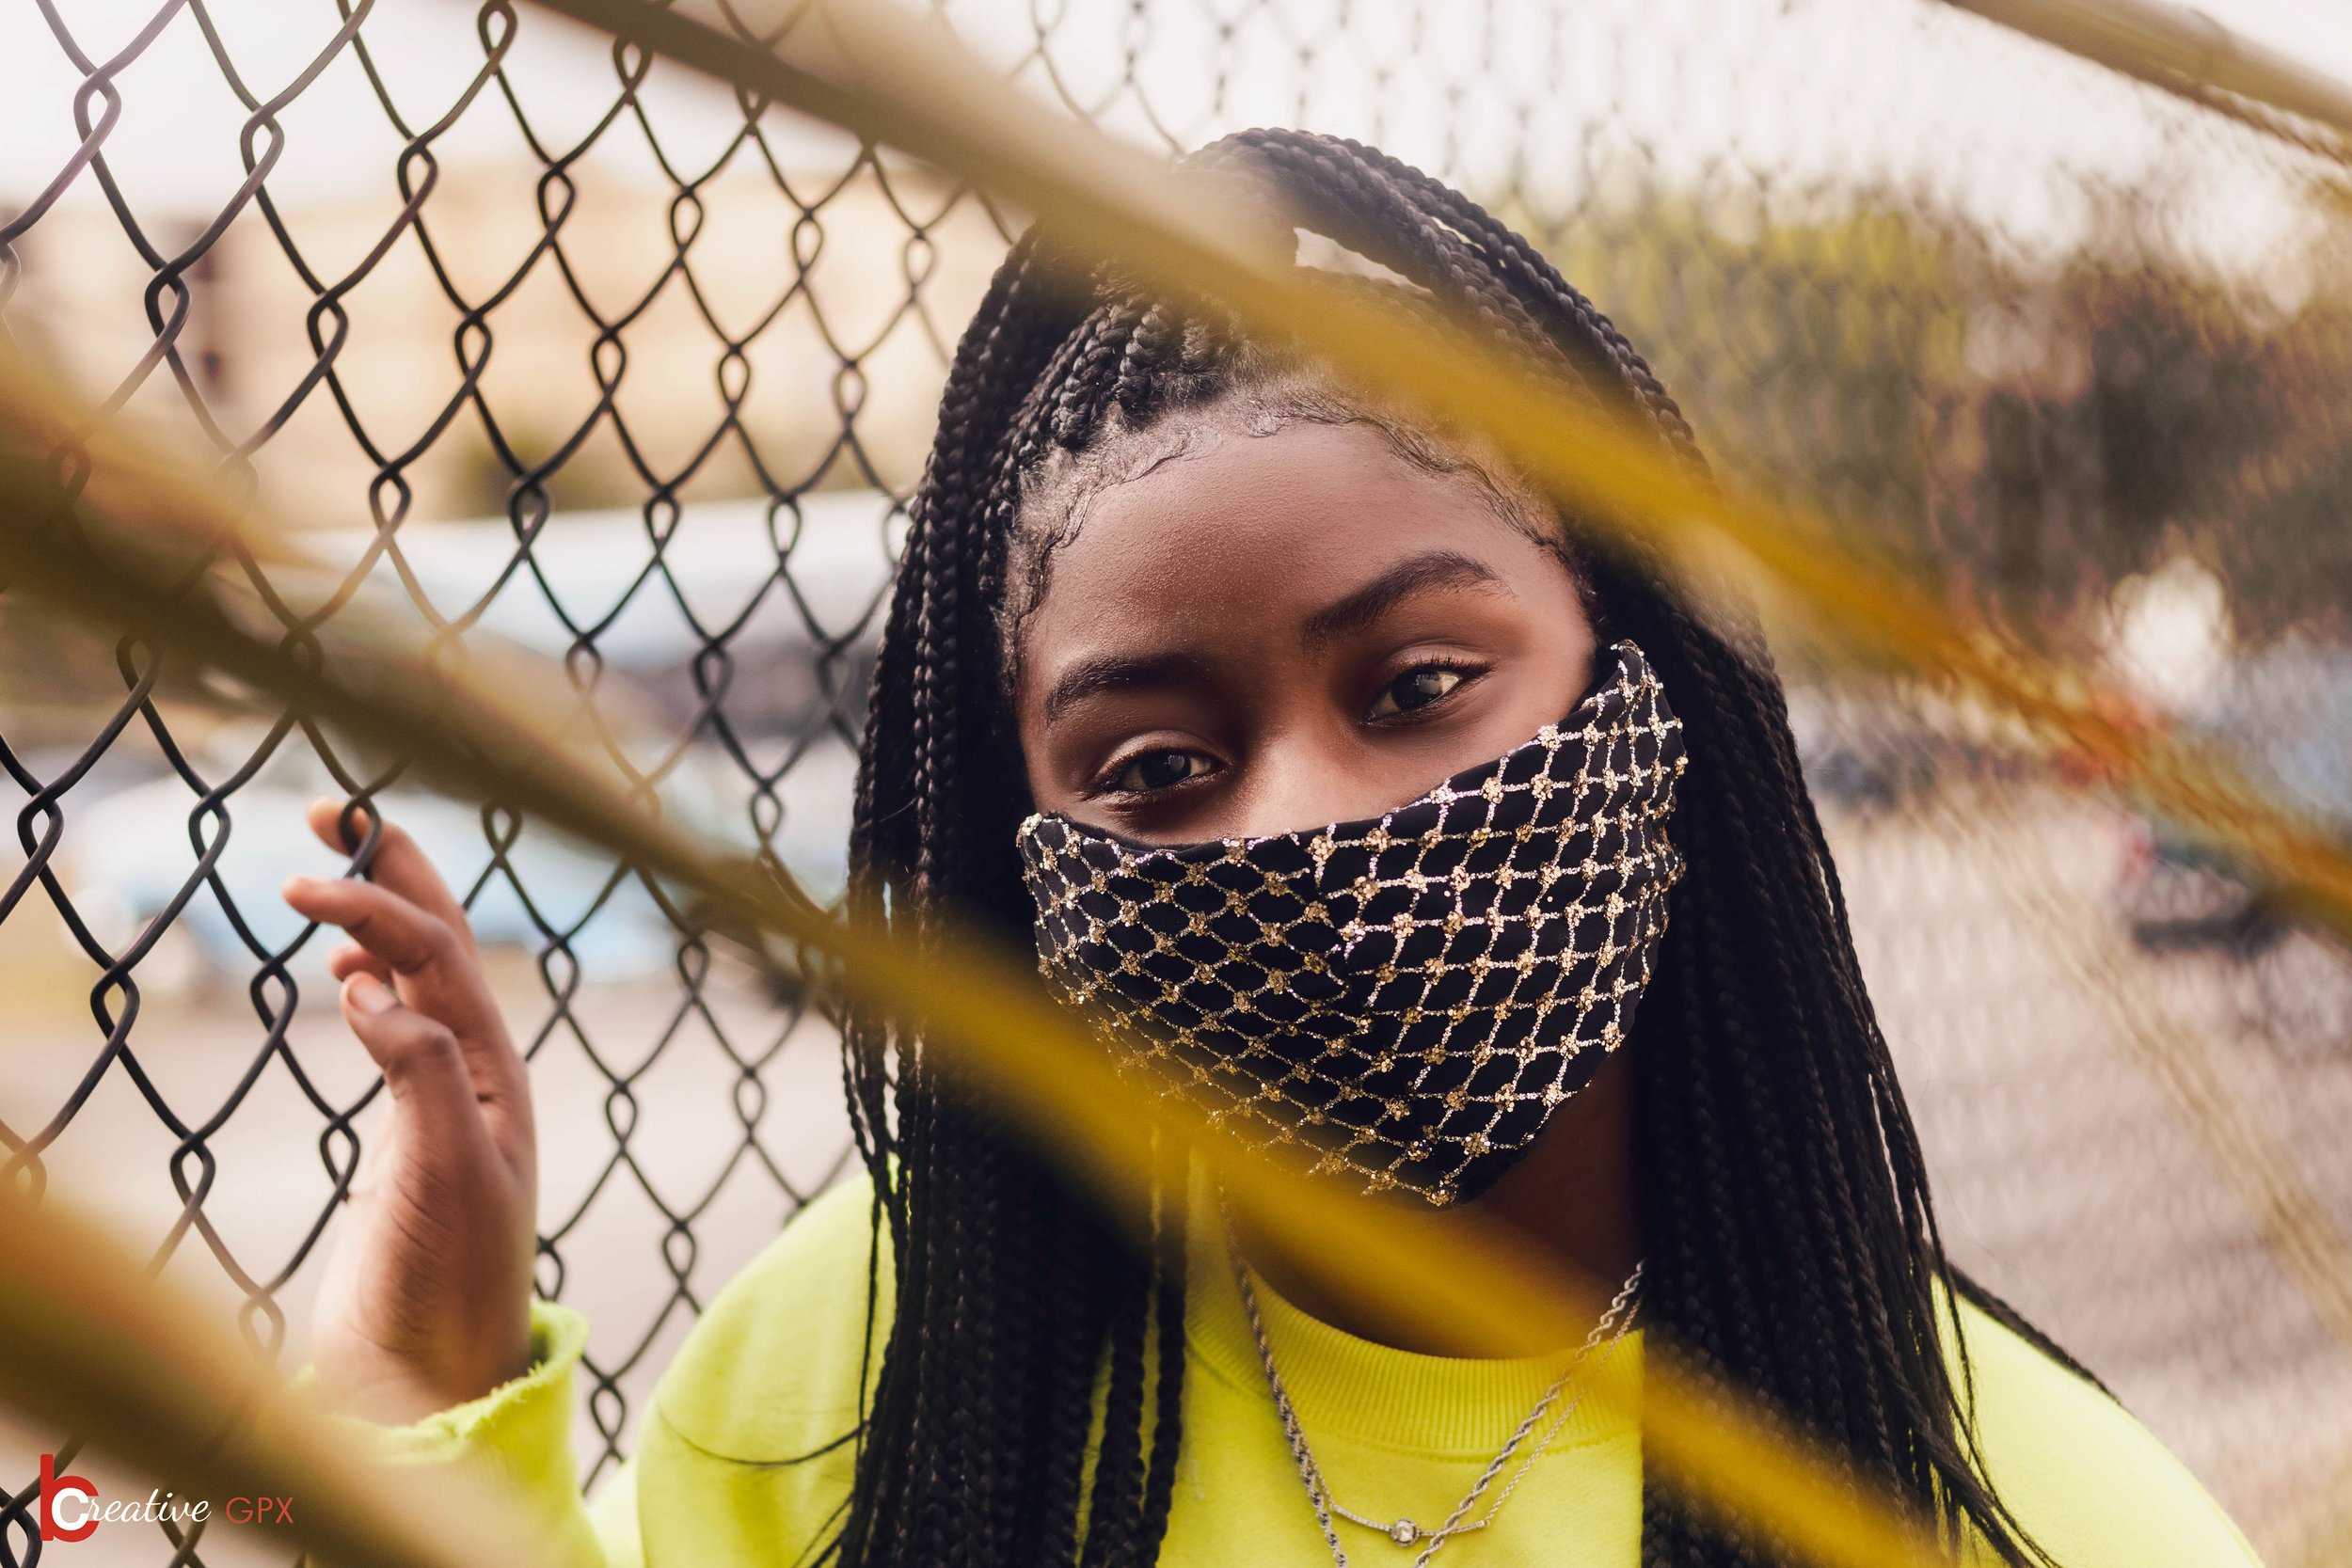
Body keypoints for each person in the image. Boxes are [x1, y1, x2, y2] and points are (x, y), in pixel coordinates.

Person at [278, 129, 2262, 1568]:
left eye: (1416, 685)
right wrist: (424, 1383)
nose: (1302, 823)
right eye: (1153, 763)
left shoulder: (2026, 1509)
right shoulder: (886, 1361)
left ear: (1644, 691)